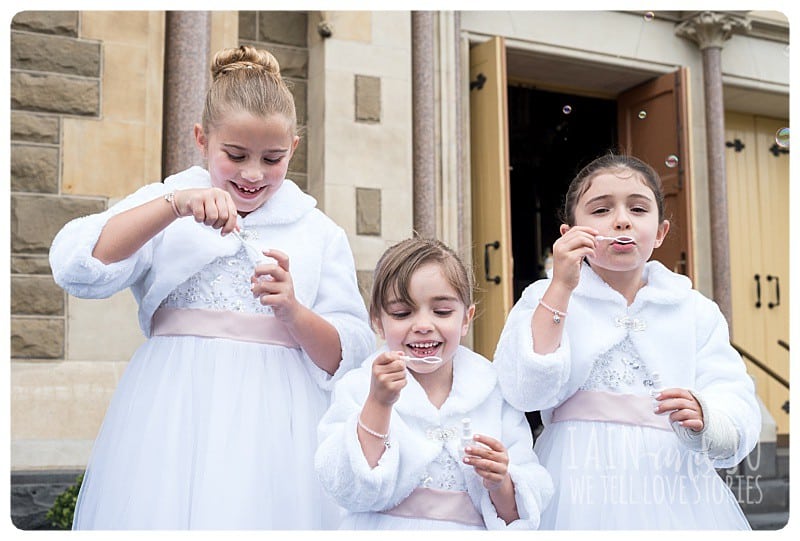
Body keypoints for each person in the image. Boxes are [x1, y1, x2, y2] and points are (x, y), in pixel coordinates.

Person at [49, 45, 375, 529]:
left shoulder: (317, 231)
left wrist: (294, 312)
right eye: (236, 155)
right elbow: (77, 264)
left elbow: (349, 354)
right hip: (174, 413)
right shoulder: (166, 204)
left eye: (273, 158)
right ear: (202, 139)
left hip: (279, 428)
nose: (252, 174)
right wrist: (172, 205)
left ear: (294, 149)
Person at [493, 153, 760, 529]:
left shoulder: (693, 309)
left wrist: (708, 417)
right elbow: (524, 391)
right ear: (569, 233)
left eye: (637, 208)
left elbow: (732, 394)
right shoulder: (545, 296)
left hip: (673, 484)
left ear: (661, 232)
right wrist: (561, 288)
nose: (621, 220)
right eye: (601, 210)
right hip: (574, 478)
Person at [314, 237, 553, 530]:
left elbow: (521, 511)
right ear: (377, 320)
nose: (423, 325)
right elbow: (346, 486)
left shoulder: (492, 392)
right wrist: (378, 403)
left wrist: (499, 481)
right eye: (402, 313)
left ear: (467, 318)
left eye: (441, 312)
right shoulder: (358, 387)